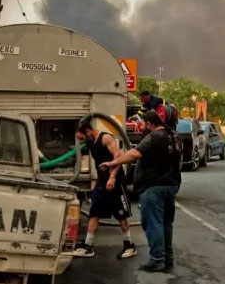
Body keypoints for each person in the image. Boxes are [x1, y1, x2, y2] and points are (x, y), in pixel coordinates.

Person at [100, 110, 182, 273]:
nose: (142, 126)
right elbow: (179, 159)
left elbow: (134, 154)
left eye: (143, 123)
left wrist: (113, 163)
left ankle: (157, 261)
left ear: (149, 124)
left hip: (153, 186)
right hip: (171, 185)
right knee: (166, 223)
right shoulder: (174, 136)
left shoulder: (153, 137)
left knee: (153, 224)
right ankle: (167, 257)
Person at [73, 116, 137, 260]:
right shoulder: (91, 143)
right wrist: (98, 183)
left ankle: (129, 245)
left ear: (88, 131)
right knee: (94, 211)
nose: (81, 141)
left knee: (121, 215)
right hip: (102, 182)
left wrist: (112, 177)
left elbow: (118, 157)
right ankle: (88, 246)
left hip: (116, 181)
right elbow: (99, 165)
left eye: (81, 138)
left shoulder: (106, 138)